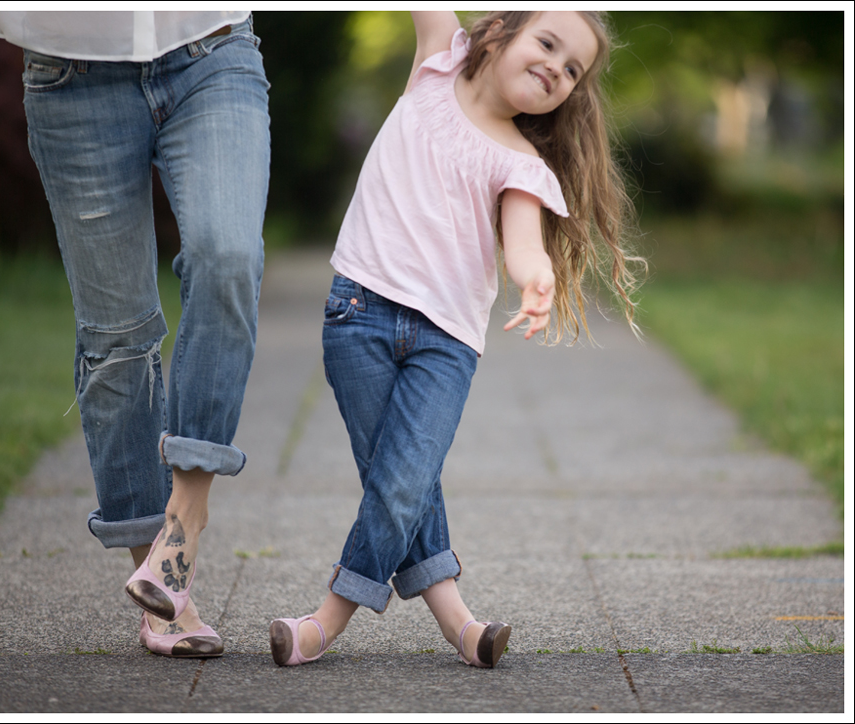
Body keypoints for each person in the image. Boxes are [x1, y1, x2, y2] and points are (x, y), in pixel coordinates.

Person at [269, 10, 643, 669]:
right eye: (548, 43)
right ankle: (462, 627)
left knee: (401, 479)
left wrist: (538, 281)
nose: (558, 66)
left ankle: (325, 621)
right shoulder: (437, 62)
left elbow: (525, 247)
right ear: (499, 33)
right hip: (359, 312)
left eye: (573, 68)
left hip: (445, 343)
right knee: (401, 479)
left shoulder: (523, 162)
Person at [0, 11, 271, 658]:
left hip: (211, 51)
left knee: (228, 260)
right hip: (70, 75)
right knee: (117, 338)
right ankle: (164, 592)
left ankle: (184, 519)